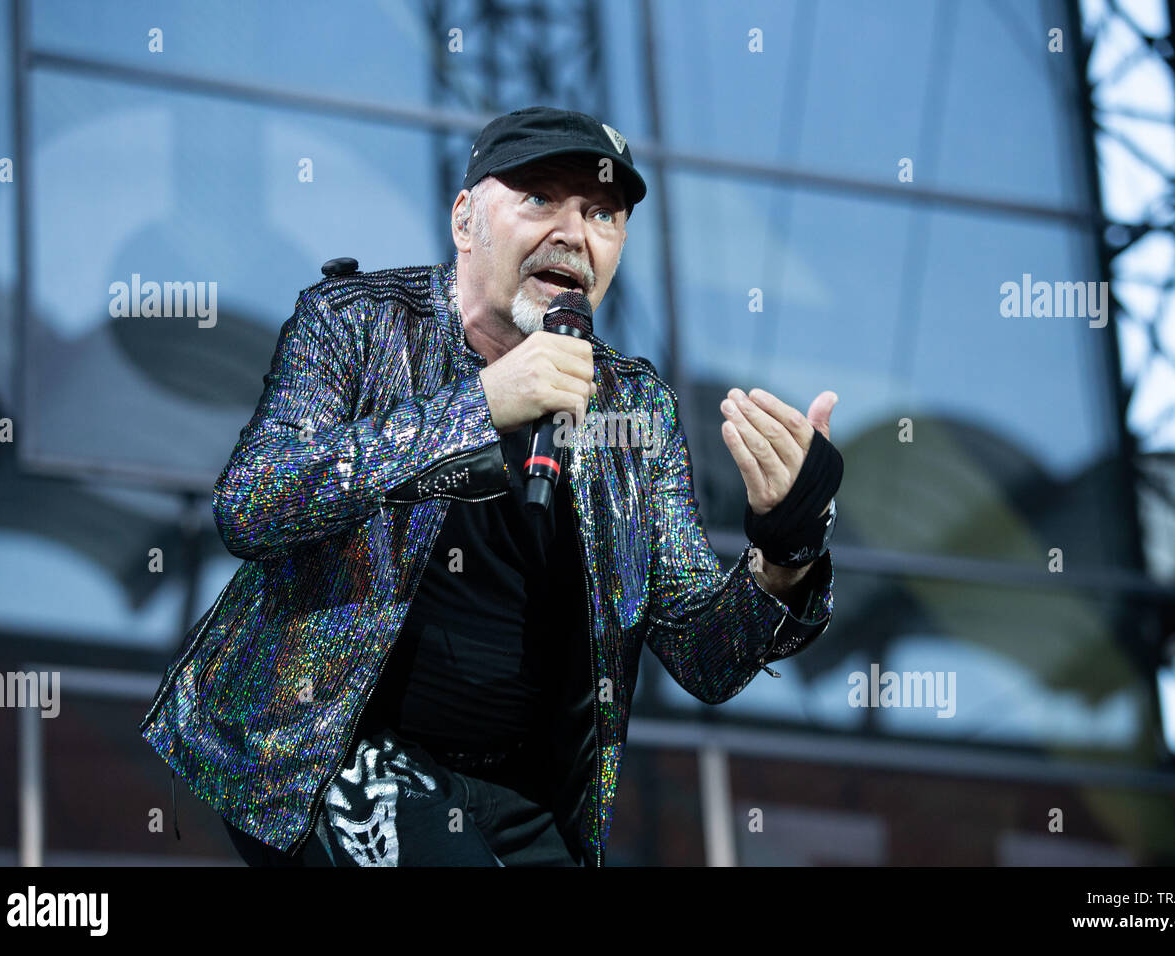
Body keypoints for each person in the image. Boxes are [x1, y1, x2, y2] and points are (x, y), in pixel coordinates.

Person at [140, 105, 843, 867]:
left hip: (518, 795)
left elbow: (704, 657)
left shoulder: (635, 412)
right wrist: (478, 410)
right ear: (465, 219)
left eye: (602, 213)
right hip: (330, 751)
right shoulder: (357, 323)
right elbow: (254, 503)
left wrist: (786, 551)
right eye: (540, 198)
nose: (573, 232)